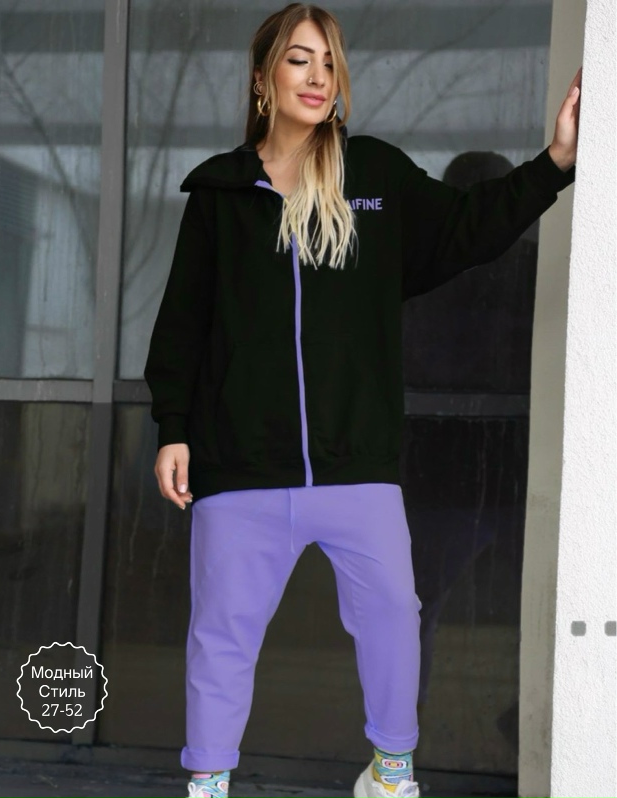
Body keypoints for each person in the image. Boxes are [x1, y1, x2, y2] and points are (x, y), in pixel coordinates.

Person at [143, 5, 580, 798]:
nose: (317, 77)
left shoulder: (372, 175)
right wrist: (174, 428)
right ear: (263, 78)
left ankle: (390, 773)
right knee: (221, 636)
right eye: (299, 60)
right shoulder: (220, 192)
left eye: (329, 62)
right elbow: (184, 324)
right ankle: (207, 784)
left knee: (393, 619)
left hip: (358, 467)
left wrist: (555, 162)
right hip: (241, 467)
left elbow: (469, 226)